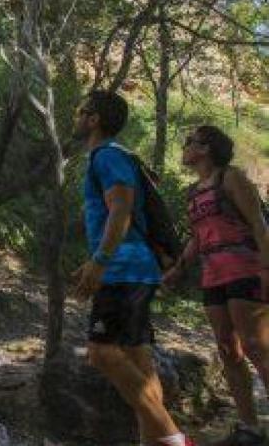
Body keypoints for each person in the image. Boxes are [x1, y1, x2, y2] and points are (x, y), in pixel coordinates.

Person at [70, 90, 194, 446]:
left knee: (101, 353)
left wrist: (100, 260)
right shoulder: (109, 157)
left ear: (94, 119)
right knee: (139, 360)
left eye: (81, 111)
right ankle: (152, 442)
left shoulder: (106, 157)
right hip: (134, 268)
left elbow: (121, 209)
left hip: (124, 269)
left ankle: (173, 439)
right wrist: (94, 259)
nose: (76, 117)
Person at [164, 125, 269, 446]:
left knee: (257, 347)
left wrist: (266, 268)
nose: (184, 147)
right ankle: (250, 427)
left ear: (206, 148)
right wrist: (179, 268)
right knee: (228, 350)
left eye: (189, 142)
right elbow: (198, 236)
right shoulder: (194, 192)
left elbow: (258, 223)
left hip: (244, 268)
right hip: (212, 275)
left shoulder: (231, 178)